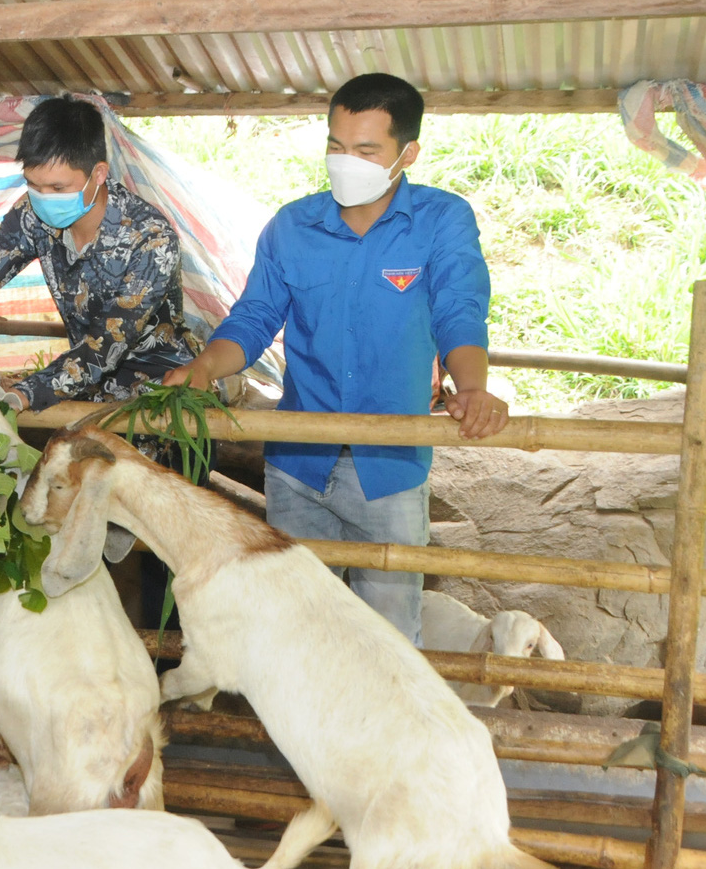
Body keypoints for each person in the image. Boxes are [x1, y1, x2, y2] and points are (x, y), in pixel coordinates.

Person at [166, 73, 508, 644]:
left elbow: (459, 310)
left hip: (391, 470)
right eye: (336, 145)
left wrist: (471, 387)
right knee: (297, 629)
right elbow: (253, 319)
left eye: (366, 150)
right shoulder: (292, 227)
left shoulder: (442, 221)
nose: (346, 161)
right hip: (299, 465)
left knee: (390, 636)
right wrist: (205, 366)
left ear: (408, 153)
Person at [0, 94, 198, 415]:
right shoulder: (31, 217)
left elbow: (108, 342)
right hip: (88, 389)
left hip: (163, 396)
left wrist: (21, 395)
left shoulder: (150, 238)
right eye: (33, 184)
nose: (43, 199)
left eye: (58, 189)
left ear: (98, 174)